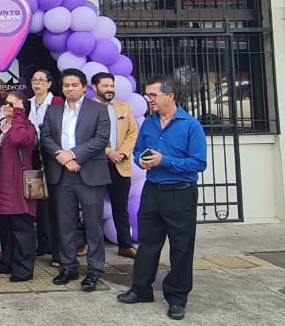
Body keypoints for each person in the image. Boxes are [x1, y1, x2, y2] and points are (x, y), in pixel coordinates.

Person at [117, 77, 207, 321]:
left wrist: (163, 161)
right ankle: (141, 288)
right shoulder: (149, 124)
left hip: (180, 192)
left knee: (181, 247)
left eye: (153, 95)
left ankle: (177, 297)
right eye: (147, 95)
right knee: (148, 243)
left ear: (170, 96)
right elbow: (137, 152)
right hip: (153, 190)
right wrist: (141, 160)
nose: (149, 100)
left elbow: (199, 163)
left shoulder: (190, 125)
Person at [40, 68, 111, 292]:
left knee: (93, 225)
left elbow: (101, 139)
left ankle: (94, 271)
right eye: (66, 85)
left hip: (89, 173)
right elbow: (46, 137)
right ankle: (68, 266)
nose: (70, 89)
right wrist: (63, 157)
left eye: (74, 85)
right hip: (62, 174)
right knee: (65, 224)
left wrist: (74, 154)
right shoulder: (54, 109)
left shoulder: (98, 109)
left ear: (83, 87)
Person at [0, 91, 39, 282]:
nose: (7, 106)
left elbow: (20, 139)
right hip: (0, 183)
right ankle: (7, 262)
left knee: (21, 229)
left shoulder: (27, 127)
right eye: (7, 103)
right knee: (5, 229)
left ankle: (24, 268)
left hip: (18, 184)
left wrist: (19, 115)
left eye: (13, 104)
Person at [92, 72, 140, 259]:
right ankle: (91, 244)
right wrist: (107, 152)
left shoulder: (124, 107)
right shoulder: (87, 108)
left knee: (121, 207)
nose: (110, 89)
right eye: (105, 86)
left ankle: (125, 245)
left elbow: (132, 133)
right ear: (95, 88)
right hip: (96, 164)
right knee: (92, 207)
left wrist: (122, 153)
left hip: (120, 163)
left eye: (111, 86)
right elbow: (86, 135)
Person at [27, 68, 62, 264]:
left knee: (56, 204)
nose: (37, 83)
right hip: (33, 157)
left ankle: (58, 251)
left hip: (53, 156)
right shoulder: (28, 103)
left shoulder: (56, 103)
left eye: (41, 80)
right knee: (38, 200)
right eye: (34, 80)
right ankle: (43, 244)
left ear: (49, 83)